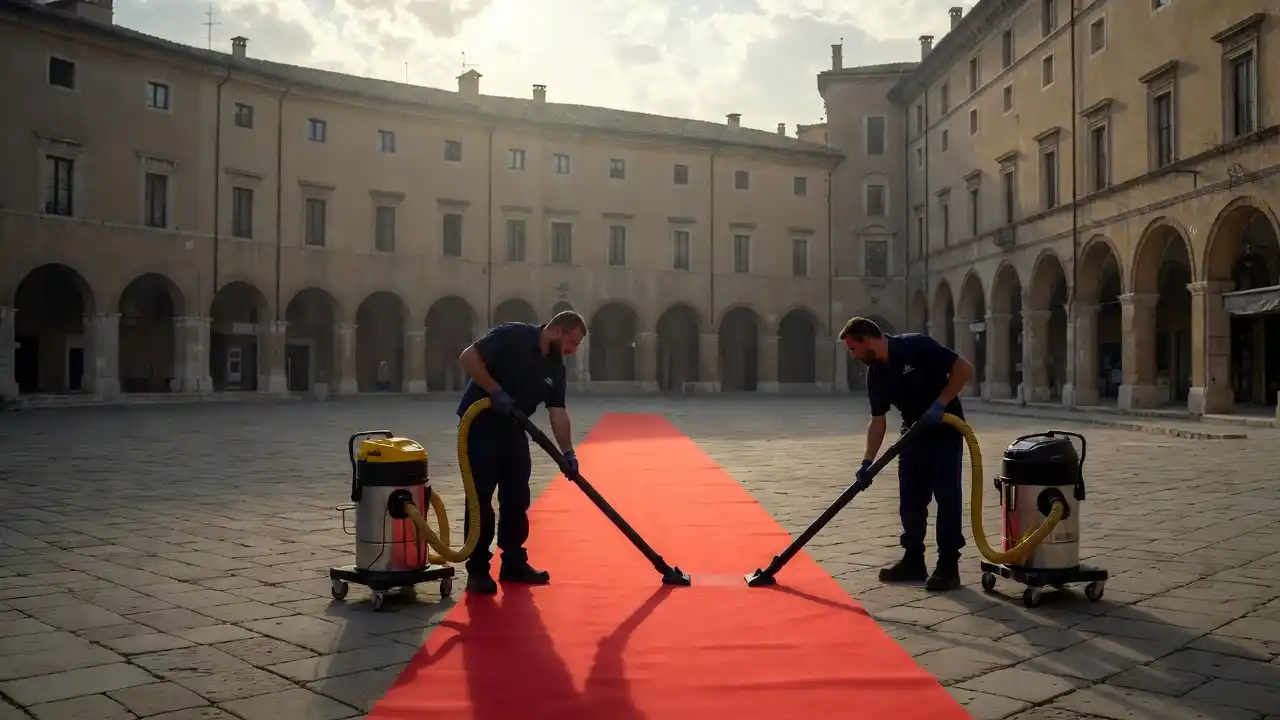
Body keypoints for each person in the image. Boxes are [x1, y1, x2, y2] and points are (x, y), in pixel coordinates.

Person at [455, 310, 587, 594]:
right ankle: (477, 570)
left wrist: (568, 453)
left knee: (516, 498)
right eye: (572, 343)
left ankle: (513, 562)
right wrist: (495, 391)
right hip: (479, 426)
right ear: (557, 331)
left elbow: (558, 411)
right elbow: (468, 357)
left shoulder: (555, 367)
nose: (572, 351)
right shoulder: (512, 335)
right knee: (479, 500)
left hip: (514, 429)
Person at [840, 316, 973, 592]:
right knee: (910, 498)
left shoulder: (915, 345)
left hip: (945, 426)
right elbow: (878, 420)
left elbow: (963, 369)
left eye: (853, 348)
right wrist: (867, 462)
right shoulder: (876, 373)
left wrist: (940, 404)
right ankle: (914, 559)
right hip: (912, 432)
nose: (852, 355)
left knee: (947, 497)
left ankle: (949, 565)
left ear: (867, 339)